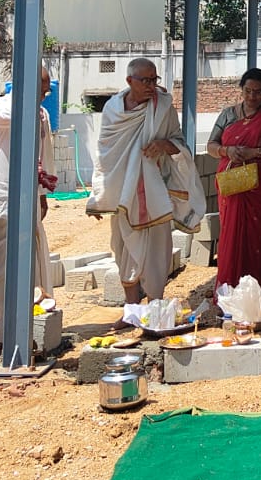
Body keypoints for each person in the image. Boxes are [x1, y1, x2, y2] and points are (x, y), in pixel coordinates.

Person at [86, 58, 205, 306]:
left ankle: (155, 307)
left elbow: (180, 144)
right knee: (123, 249)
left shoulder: (163, 108)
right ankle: (130, 310)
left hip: (154, 192)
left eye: (154, 80)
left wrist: (163, 145)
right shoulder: (112, 109)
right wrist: (99, 195)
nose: (151, 85)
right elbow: (105, 153)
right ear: (130, 81)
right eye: (146, 80)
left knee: (157, 250)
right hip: (122, 193)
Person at [0, 64, 57, 347]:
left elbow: (39, 156)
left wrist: (41, 195)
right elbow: (15, 115)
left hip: (27, 203)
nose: (48, 91)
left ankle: (16, 329)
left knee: (26, 269)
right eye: (43, 84)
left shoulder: (40, 113)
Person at [209, 67, 261, 287]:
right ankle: (230, 283)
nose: (252, 97)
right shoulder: (228, 115)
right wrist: (227, 151)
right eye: (248, 91)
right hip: (232, 182)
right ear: (241, 90)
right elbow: (212, 145)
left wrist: (255, 153)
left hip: (260, 185)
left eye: (257, 92)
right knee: (232, 233)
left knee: (260, 233)